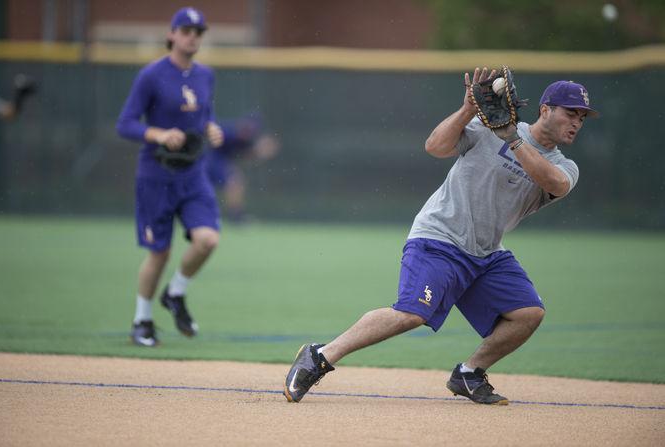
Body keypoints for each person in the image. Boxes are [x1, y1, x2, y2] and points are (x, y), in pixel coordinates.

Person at [283, 68, 598, 405]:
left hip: (486, 254)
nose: (577, 122)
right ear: (546, 109)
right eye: (570, 113)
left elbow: (553, 182)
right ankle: (319, 356)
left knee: (528, 313)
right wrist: (467, 111)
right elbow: (435, 146)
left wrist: (512, 139)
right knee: (412, 313)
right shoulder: (494, 127)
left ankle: (469, 373)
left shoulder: (562, 165)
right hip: (439, 238)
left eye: (582, 116)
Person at [116, 7, 224, 347]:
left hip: (193, 174)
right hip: (156, 175)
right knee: (159, 252)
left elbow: (203, 115)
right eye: (186, 29)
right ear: (172, 34)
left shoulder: (205, 75)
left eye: (198, 31)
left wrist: (211, 127)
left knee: (207, 240)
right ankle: (141, 320)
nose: (193, 35)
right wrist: (159, 134)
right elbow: (126, 123)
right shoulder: (152, 75)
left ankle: (175, 293)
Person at [205, 114, 280, 223]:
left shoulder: (245, 139)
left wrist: (260, 152)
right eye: (247, 127)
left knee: (235, 182)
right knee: (234, 182)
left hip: (218, 162)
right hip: (210, 161)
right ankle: (234, 215)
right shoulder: (228, 131)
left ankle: (235, 214)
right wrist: (258, 151)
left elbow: (246, 156)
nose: (248, 131)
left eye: (252, 129)